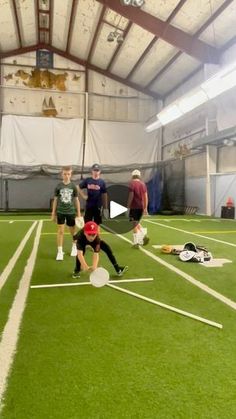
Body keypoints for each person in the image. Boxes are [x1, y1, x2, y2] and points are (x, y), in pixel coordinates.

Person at [51, 166, 82, 261]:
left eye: (68, 174)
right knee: (60, 231)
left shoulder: (73, 186)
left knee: (73, 231)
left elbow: (76, 200)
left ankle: (74, 247)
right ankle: (60, 251)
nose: (67, 176)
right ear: (62, 174)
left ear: (71, 174)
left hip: (71, 212)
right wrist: (53, 213)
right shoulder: (58, 186)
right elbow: (55, 200)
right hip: (60, 211)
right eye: (65, 174)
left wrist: (79, 214)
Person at [127, 169, 149, 248]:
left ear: (132, 176)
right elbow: (145, 197)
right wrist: (145, 207)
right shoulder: (143, 184)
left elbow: (131, 196)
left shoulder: (131, 184)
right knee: (136, 222)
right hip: (141, 206)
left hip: (134, 207)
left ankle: (136, 242)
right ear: (139, 176)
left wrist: (128, 206)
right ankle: (144, 235)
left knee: (134, 224)